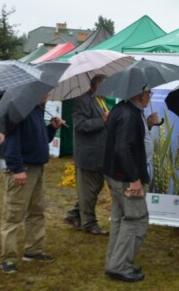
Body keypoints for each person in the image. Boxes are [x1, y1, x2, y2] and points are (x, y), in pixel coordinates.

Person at [0, 94, 65, 274]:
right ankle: (8, 258)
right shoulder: (18, 110)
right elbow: (10, 143)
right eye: (46, 92)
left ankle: (33, 250)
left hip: (36, 167)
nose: (49, 96)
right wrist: (17, 169)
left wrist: (51, 128)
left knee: (36, 211)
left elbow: (40, 139)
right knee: (13, 214)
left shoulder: (37, 110)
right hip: (23, 169)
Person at [102, 88, 152, 283]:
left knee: (120, 218)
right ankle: (120, 266)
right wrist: (135, 178)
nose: (150, 97)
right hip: (125, 177)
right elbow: (123, 148)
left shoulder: (121, 109)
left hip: (116, 174)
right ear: (138, 95)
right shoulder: (129, 114)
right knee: (136, 219)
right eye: (149, 93)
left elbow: (126, 142)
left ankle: (114, 262)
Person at [64, 74, 109, 235]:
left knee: (91, 189)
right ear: (95, 86)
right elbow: (80, 125)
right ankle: (89, 224)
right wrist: (102, 120)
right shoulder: (83, 100)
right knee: (89, 191)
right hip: (88, 155)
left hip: (98, 154)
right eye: (106, 86)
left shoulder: (99, 100)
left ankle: (73, 215)